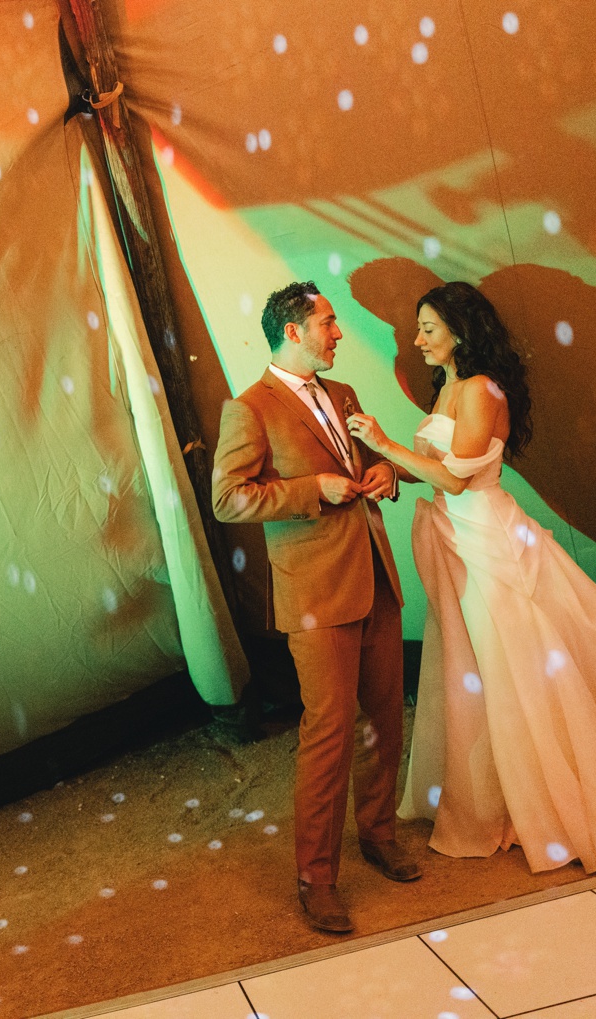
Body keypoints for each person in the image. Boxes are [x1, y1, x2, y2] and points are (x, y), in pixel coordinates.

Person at [345, 281, 596, 873]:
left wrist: (384, 445)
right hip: (460, 541)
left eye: (428, 328)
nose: (418, 338)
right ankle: (503, 798)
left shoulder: (479, 388)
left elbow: (456, 479)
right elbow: (439, 476)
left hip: (490, 543)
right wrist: (391, 475)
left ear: (461, 330)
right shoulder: (450, 386)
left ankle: (568, 807)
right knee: (480, 674)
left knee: (516, 672)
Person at [213, 282, 421, 934]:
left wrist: (383, 475)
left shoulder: (345, 394)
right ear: (295, 331)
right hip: (316, 596)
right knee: (329, 734)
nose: (338, 334)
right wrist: (311, 489)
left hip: (376, 581)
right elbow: (229, 498)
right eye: (328, 324)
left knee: (385, 717)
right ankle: (316, 878)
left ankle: (379, 832)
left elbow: (365, 467)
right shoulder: (248, 409)